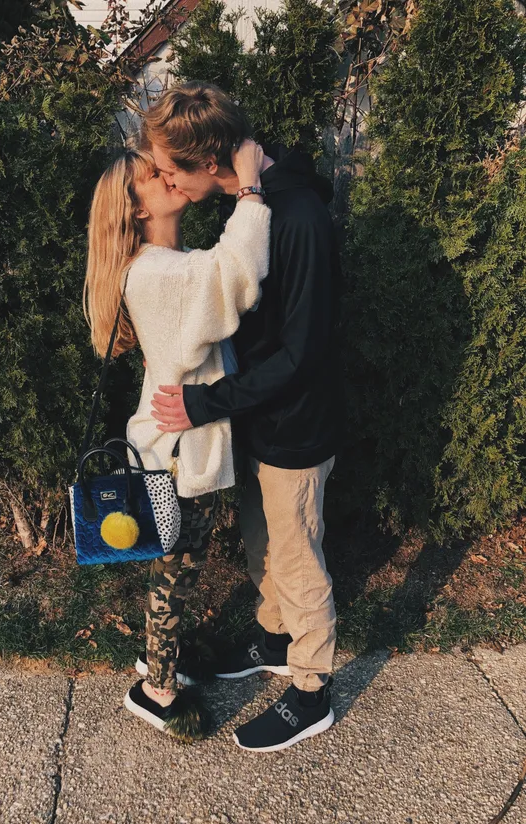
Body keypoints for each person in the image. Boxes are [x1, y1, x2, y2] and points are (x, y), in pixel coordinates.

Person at [143, 81, 345, 753]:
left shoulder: (298, 218)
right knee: (264, 544)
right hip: (259, 419)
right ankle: (275, 639)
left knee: (298, 558)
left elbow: (301, 351)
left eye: (171, 171)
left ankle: (312, 690)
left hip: (296, 426)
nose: (166, 183)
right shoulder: (250, 205)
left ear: (209, 161)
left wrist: (204, 403)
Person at [83, 139, 271, 741]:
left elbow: (209, 280)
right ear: (137, 208)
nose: (168, 175)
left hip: (176, 445)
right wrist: (249, 190)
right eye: (153, 174)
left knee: (179, 565)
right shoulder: (156, 273)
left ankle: (158, 658)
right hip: (175, 453)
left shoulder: (167, 264)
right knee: (175, 572)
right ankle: (156, 690)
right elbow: (232, 276)